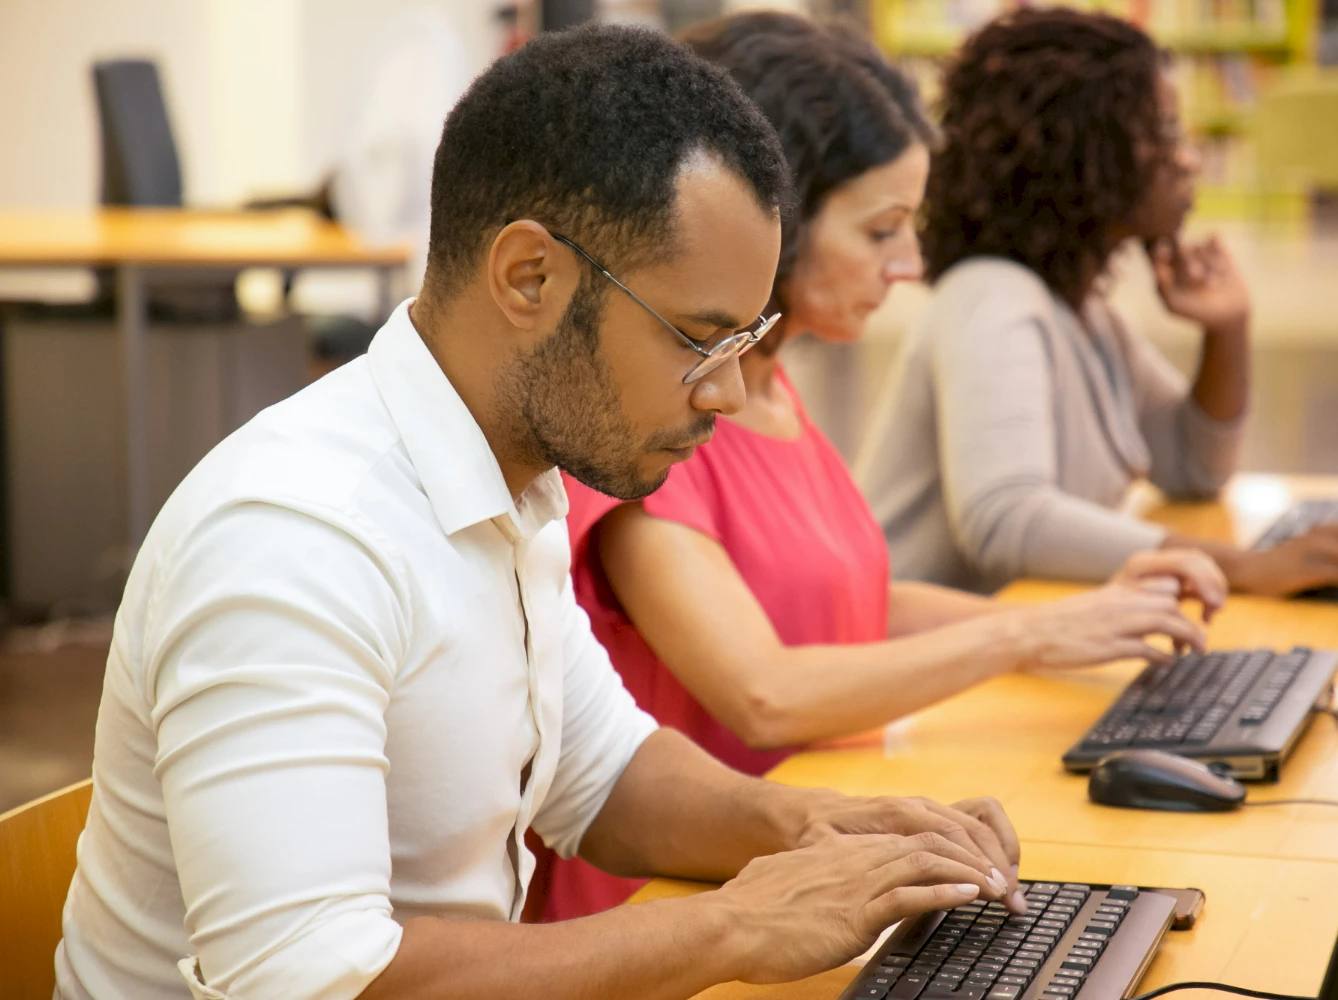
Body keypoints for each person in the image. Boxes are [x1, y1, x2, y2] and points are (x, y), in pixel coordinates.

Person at [55, 27, 1037, 1000]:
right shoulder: (296, 536)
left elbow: (602, 773)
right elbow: (311, 978)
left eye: (746, 340)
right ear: (530, 276)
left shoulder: (514, 474)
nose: (729, 394)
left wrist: (822, 830)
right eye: (699, 340)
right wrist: (743, 920)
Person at [540, 11, 1227, 923]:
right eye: (880, 232)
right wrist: (1019, 638)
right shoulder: (657, 426)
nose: (908, 264)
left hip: (810, 865)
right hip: (681, 904)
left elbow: (847, 598)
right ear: (763, 226)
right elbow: (764, 692)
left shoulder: (774, 390)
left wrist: (1078, 624)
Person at [857, 7, 1338, 603]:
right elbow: (1005, 520)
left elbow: (1192, 469)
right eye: (1165, 134)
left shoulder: (1082, 312)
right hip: (924, 685)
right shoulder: (992, 300)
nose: (1190, 159)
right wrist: (1241, 567)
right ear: (1083, 152)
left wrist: (1228, 329)